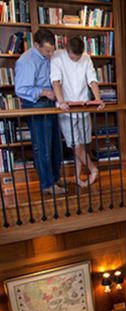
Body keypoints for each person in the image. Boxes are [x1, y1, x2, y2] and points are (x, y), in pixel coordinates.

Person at [15, 29, 65, 195]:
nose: (51, 54)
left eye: (52, 50)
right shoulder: (27, 60)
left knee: (55, 145)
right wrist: (44, 92)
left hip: (50, 104)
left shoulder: (49, 56)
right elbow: (21, 89)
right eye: (47, 51)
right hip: (36, 105)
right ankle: (47, 184)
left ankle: (55, 178)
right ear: (36, 45)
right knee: (42, 146)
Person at [50, 36, 104, 187]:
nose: (77, 59)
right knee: (76, 145)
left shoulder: (86, 58)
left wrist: (98, 99)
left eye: (79, 57)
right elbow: (55, 81)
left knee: (82, 145)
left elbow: (92, 79)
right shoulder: (57, 57)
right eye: (74, 57)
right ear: (67, 50)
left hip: (83, 106)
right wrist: (61, 101)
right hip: (66, 109)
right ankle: (93, 170)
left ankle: (78, 177)